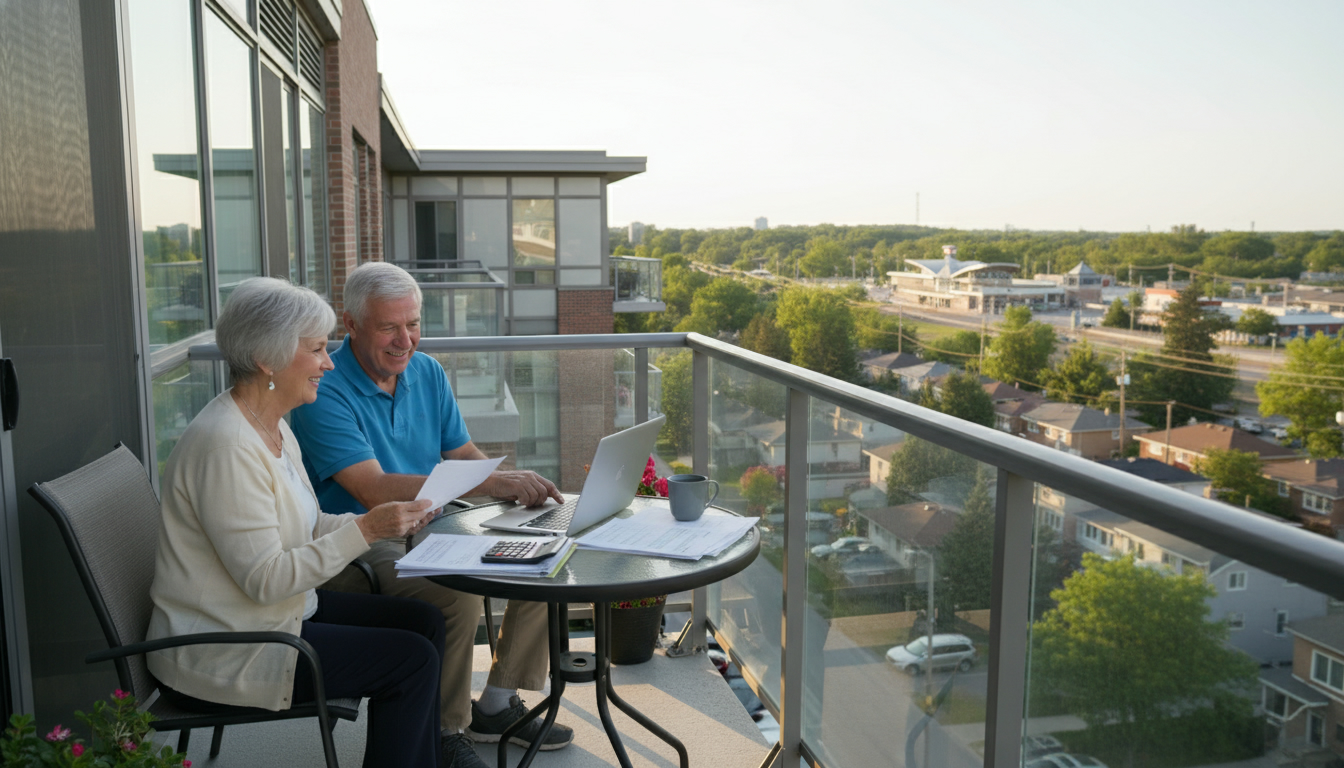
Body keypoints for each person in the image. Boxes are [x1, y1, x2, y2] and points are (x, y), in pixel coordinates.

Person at [146, 278, 447, 768]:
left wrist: (374, 520)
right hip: (228, 648)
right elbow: (265, 581)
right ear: (269, 359)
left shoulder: (273, 424)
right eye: (316, 350)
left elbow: (305, 525)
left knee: (426, 623)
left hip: (276, 614)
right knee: (410, 661)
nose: (329, 362)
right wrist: (367, 531)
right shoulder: (227, 447)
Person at [291, 262, 574, 768]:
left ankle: (496, 701)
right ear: (351, 324)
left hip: (439, 519)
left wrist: (510, 481)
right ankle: (445, 734)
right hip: (366, 536)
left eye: (414, 324)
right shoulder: (322, 389)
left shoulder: (425, 372)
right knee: (453, 595)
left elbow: (461, 452)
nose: (406, 340)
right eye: (389, 327)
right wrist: (490, 483)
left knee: (545, 555)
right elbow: (373, 489)